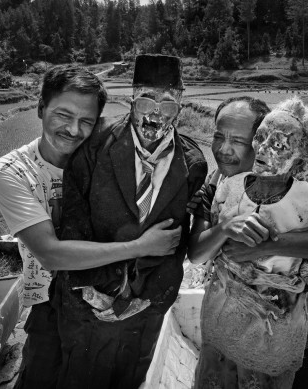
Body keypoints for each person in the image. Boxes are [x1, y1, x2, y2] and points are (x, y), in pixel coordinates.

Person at [0, 64, 180, 389]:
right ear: (40, 108)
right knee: (41, 377)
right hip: (48, 301)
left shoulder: (113, 157)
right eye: (63, 115)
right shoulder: (12, 172)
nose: (73, 130)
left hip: (103, 297)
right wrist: (142, 246)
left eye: (86, 121)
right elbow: (51, 253)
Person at [188, 96, 308, 389]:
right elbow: (197, 252)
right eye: (218, 136)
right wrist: (226, 228)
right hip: (231, 320)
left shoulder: (299, 188)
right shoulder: (218, 184)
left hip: (295, 322)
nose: (223, 149)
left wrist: (267, 246)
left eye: (238, 140)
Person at [54, 54, 208, 389]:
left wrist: (151, 296)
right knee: (81, 374)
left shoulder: (193, 163)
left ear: (180, 106)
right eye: (147, 101)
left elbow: (177, 239)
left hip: (147, 304)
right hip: (89, 299)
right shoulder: (93, 147)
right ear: (131, 97)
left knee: (132, 374)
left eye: (168, 104)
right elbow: (73, 222)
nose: (156, 113)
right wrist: (92, 289)